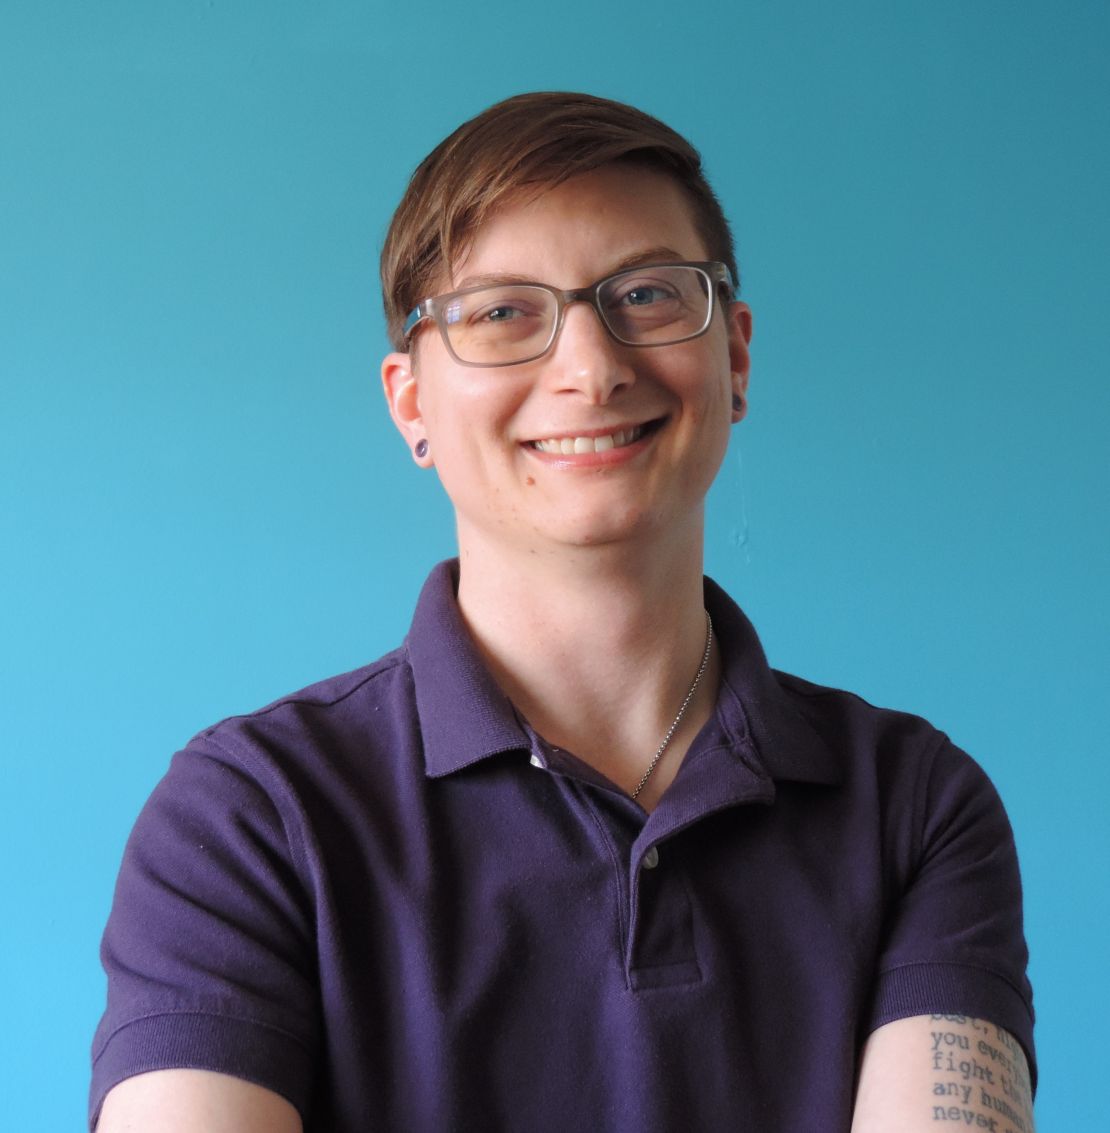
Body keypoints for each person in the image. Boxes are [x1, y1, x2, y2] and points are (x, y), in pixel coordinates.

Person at [91, 92, 1036, 1132]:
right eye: (502, 312)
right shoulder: (247, 818)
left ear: (737, 358)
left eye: (647, 295)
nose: (591, 367)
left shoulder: (916, 806)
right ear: (412, 404)